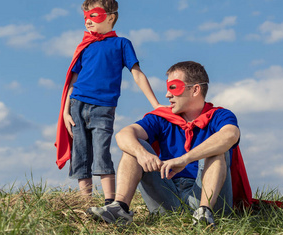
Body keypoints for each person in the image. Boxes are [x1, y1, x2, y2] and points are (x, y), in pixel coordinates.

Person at [87, 61, 242, 226]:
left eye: (174, 87)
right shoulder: (161, 118)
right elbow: (123, 135)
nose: (168, 95)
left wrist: (185, 159)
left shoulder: (220, 115)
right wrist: (142, 153)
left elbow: (230, 135)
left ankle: (204, 213)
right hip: (168, 197)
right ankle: (119, 208)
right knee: (134, 145)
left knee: (218, 149)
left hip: (208, 197)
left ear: (195, 89)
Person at [55, 0, 161, 205]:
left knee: (102, 151)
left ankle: (110, 203)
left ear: (111, 17)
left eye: (94, 15)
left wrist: (156, 104)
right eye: (85, 16)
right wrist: (66, 112)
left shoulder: (122, 44)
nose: (88, 20)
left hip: (103, 107)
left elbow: (137, 73)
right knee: (80, 154)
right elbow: (72, 80)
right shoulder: (85, 46)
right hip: (77, 105)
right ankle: (85, 204)